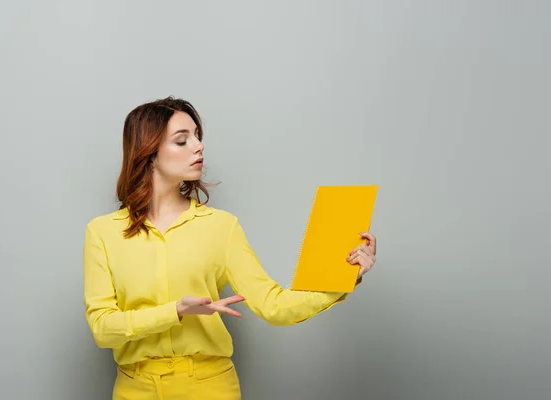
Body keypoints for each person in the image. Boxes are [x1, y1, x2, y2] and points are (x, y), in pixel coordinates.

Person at [82, 96, 378, 400]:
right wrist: (177, 311)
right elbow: (103, 329)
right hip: (135, 389)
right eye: (182, 140)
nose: (199, 146)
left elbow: (274, 306)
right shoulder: (103, 232)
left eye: (198, 137)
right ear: (149, 153)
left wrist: (345, 275)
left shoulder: (221, 227)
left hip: (209, 388)